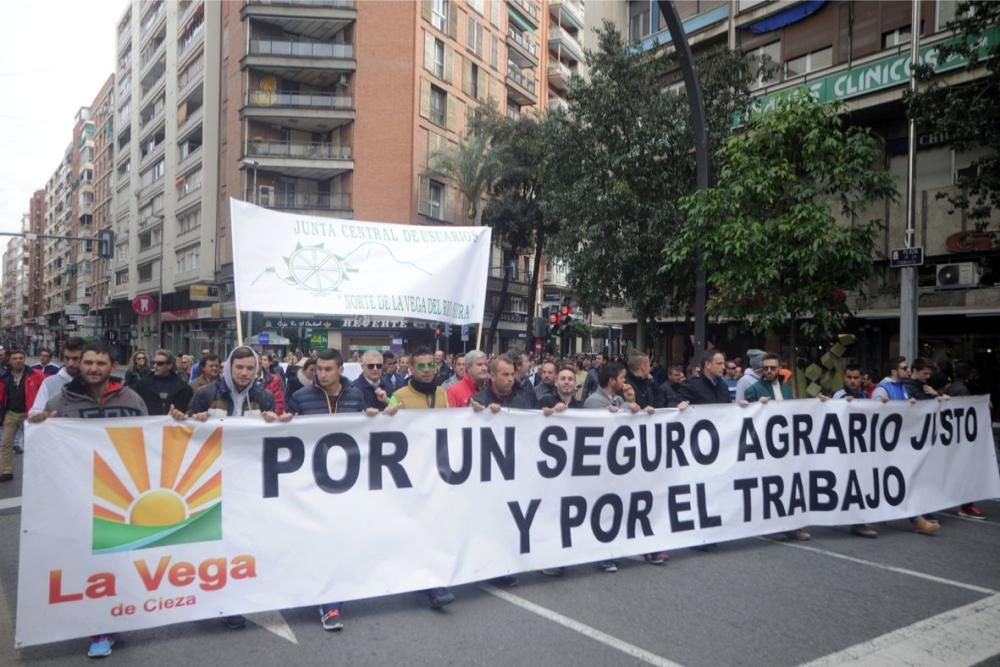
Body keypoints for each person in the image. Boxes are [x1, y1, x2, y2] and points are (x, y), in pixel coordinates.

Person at [29, 343, 147, 657]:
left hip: (120, 498)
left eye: (101, 363)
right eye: (89, 362)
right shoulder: (59, 402)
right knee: (86, 564)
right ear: (79, 365)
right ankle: (94, 623)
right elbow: (44, 448)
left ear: (113, 366)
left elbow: (150, 440)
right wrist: (38, 427)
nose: (94, 368)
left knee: (115, 563)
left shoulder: (131, 400)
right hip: (76, 497)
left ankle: (106, 624)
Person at [286, 349, 373, 629]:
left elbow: (363, 430)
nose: (320, 374)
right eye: (318, 369)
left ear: (340, 371)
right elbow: (284, 437)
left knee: (341, 540)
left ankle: (330, 598)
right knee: (320, 541)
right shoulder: (300, 398)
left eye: (327, 369)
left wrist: (375, 416)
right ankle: (328, 603)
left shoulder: (356, 396)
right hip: (312, 483)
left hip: (347, 483)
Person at [581, 362, 644, 571]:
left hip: (615, 464)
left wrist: (631, 405)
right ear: (612, 381)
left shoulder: (617, 400)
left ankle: (611, 549)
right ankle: (600, 553)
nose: (625, 382)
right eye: (622, 378)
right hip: (599, 465)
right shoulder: (594, 402)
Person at [744, 354, 811, 541]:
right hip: (764, 447)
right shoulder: (753, 390)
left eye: (773, 367)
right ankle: (765, 522)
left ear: (779, 368)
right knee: (766, 485)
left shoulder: (787, 389)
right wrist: (756, 405)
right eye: (766, 368)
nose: (769, 371)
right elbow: (745, 416)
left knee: (789, 484)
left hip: (786, 445)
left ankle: (790, 525)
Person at [0, 351, 44, 481]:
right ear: (10, 361)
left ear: (24, 359)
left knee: (34, 444)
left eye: (21, 358)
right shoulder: (4, 377)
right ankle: (6, 471)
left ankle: (38, 471)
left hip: (28, 414)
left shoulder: (37, 375)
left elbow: (45, 391)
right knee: (6, 444)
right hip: (10, 413)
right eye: (15, 358)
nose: (18, 360)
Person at [29, 337, 85, 417]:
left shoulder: (95, 382)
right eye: (67, 358)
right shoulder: (49, 383)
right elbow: (35, 413)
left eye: (75, 359)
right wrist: (43, 417)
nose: (70, 363)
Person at [132, 350, 193, 416]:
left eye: (160, 363)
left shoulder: (184, 388)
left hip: (174, 425)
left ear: (170, 365)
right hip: (148, 425)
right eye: (153, 363)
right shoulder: (142, 385)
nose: (155, 366)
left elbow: (190, 411)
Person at [471, 353, 540, 411]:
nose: (510, 379)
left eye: (512, 374)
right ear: (493, 376)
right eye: (505, 374)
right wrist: (485, 413)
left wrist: (546, 415)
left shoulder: (525, 399)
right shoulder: (478, 401)